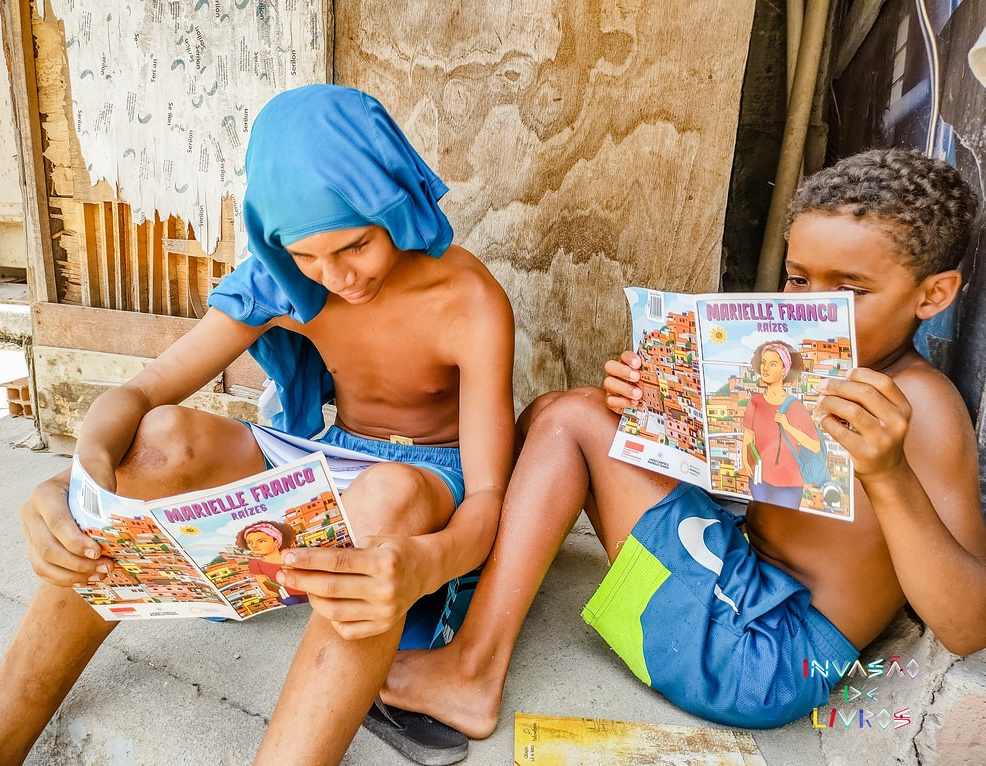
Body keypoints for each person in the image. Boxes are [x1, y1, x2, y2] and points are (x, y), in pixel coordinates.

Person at [0, 85, 514, 766]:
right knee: (163, 439)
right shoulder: (286, 278)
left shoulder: (470, 302)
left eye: (355, 246)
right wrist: (82, 483)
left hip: (428, 485)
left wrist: (425, 560)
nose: (335, 277)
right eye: (306, 256)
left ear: (392, 199)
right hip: (323, 462)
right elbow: (141, 393)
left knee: (388, 494)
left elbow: (490, 498)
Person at [380, 147, 986, 735]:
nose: (811, 306)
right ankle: (478, 590)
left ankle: (471, 670)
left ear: (932, 295)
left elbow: (966, 627)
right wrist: (654, 412)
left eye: (850, 290)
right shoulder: (794, 371)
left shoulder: (922, 406)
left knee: (570, 421)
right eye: (798, 280)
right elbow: (740, 477)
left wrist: (887, 476)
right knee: (556, 414)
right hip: (741, 577)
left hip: (769, 657)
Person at [740, 340, 820, 508]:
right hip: (759, 478)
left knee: (784, 524)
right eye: (763, 362)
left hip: (789, 483)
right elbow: (748, 435)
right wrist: (746, 462)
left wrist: (788, 426)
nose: (765, 368)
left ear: (784, 370)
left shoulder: (796, 406)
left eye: (773, 364)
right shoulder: (754, 402)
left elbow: (814, 446)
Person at [237, 520, 308, 606]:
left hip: (306, 589)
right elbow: (261, 580)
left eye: (261, 541)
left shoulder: (289, 555)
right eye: (249, 542)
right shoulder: (255, 563)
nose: (254, 546)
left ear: (276, 542)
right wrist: (268, 591)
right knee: (291, 602)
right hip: (286, 595)